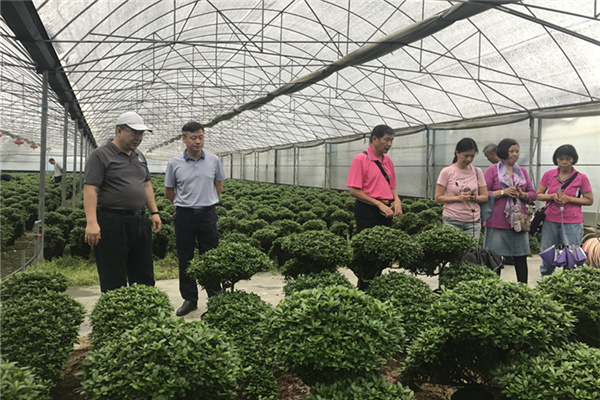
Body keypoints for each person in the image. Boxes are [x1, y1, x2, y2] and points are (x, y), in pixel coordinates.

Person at [83, 111, 161, 293]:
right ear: (119, 131)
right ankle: (115, 309)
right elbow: (90, 189)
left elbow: (146, 185)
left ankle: (143, 306)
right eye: (134, 133)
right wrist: (92, 222)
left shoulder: (139, 156)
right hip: (112, 221)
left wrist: (154, 212)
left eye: (141, 134)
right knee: (113, 274)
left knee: (143, 272)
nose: (138, 138)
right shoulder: (101, 155)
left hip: (139, 220)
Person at [165, 121, 226, 316]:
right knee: (186, 258)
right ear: (184, 139)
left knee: (211, 257)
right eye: (193, 138)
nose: (198, 141)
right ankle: (190, 299)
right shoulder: (174, 163)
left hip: (208, 215)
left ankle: (214, 296)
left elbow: (218, 186)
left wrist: (206, 200)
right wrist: (185, 203)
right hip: (184, 216)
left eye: (201, 137)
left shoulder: (214, 160)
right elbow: (168, 191)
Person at [347, 124, 402, 289]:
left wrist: (397, 200)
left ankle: (376, 285)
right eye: (387, 140)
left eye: (392, 140)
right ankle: (364, 287)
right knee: (368, 251)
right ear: (374, 139)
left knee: (383, 250)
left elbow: (392, 186)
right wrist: (378, 204)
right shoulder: (360, 159)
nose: (389, 144)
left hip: (386, 210)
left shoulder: (388, 161)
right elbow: (354, 191)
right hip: (367, 210)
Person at [482, 138, 537, 284]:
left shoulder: (522, 171)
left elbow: (533, 194)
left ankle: (523, 289)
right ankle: (492, 288)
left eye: (517, 151)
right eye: (511, 151)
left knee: (521, 257)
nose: (515, 154)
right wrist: (503, 192)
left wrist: (522, 195)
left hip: (518, 221)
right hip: (497, 221)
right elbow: (484, 193)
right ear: (503, 152)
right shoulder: (492, 170)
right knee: (495, 257)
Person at [536, 144, 593, 277]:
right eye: (561, 159)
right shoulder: (549, 175)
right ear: (556, 160)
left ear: (573, 159)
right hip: (550, 221)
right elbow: (538, 194)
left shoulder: (581, 178)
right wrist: (551, 197)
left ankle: (569, 283)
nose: (564, 162)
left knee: (572, 256)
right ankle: (546, 281)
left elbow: (589, 200)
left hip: (572, 222)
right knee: (548, 254)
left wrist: (570, 199)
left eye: (568, 158)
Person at [435, 138, 488, 240]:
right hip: (452, 220)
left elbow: (485, 197)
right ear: (457, 153)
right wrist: (458, 198)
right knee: (453, 249)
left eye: (472, 156)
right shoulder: (447, 172)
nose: (469, 159)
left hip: (473, 221)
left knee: (471, 250)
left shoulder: (477, 172)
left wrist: (474, 198)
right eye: (466, 155)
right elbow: (438, 198)